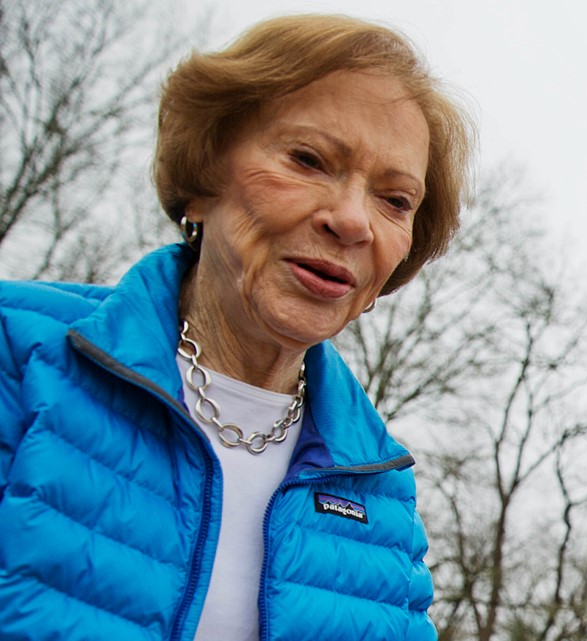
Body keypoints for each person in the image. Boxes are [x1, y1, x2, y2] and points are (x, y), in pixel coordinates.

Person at [0, 14, 473, 641]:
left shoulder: (381, 491)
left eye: (395, 201)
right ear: (202, 179)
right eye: (308, 159)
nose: (353, 220)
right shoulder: (20, 351)